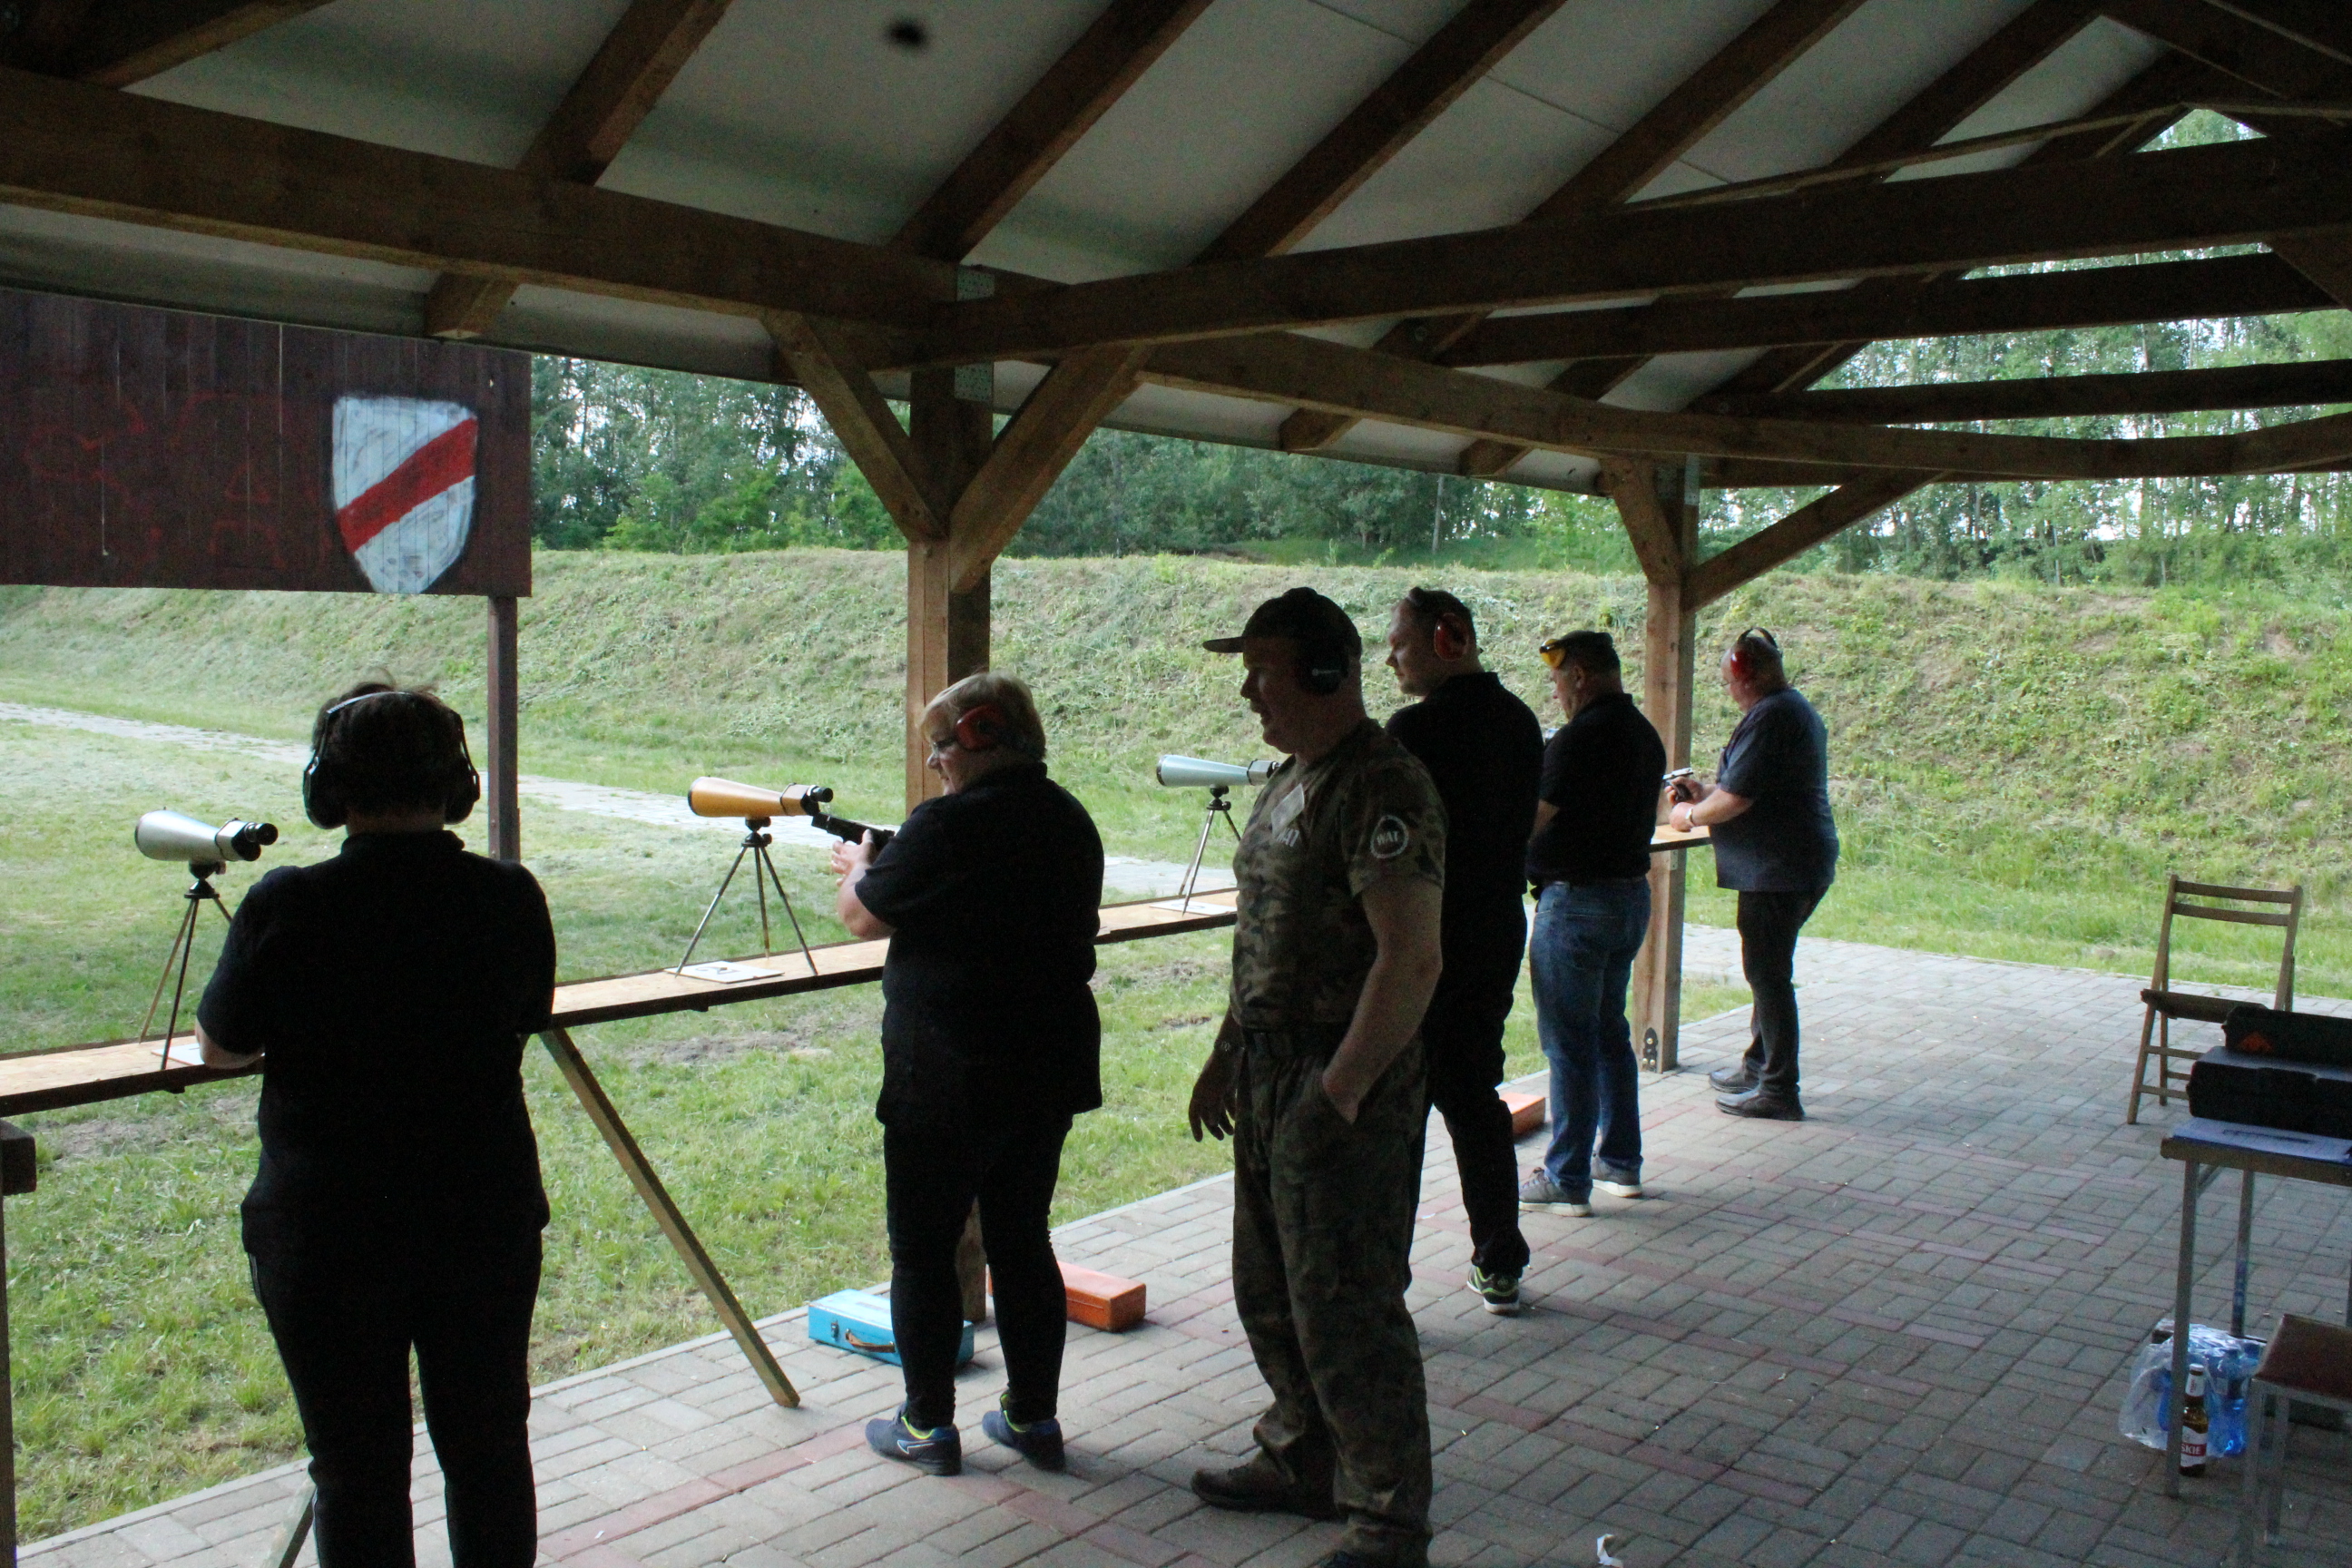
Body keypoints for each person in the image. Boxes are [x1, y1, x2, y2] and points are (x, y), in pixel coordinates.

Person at [196, 683, 556, 1568]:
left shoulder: (288, 903)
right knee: (487, 1452)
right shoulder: (509, 894)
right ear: (457, 785)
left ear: (329, 790)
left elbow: (220, 1047)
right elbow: (526, 1010)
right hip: (481, 1217)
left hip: (329, 1235)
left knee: (356, 1472)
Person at [1185, 587, 1446, 1568]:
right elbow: (1267, 932)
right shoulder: (1292, 776)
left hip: (1340, 1074)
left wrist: (1339, 1092)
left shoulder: (1383, 787)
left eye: (1266, 669)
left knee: (1346, 1303)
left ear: (1329, 674)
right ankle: (1301, 1455)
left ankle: (1387, 1521)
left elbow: (1410, 961)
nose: (1250, 691)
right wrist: (1226, 1051)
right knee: (1270, 1286)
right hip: (1268, 1069)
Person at [831, 671, 1104, 1476]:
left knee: (922, 1250)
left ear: (980, 735)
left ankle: (926, 1425)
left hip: (945, 1073)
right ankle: (1032, 1417)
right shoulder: (1068, 817)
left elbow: (859, 915)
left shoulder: (945, 827)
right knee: (1023, 1241)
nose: (936, 765)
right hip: (1044, 1065)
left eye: (941, 747)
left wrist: (858, 866)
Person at [1380, 586, 1539, 1314]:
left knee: (1404, 1107)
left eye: (1401, 643)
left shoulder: (1411, 730)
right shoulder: (1520, 720)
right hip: (1497, 928)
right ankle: (1499, 1258)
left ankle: (1389, 1278)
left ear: (1447, 641)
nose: (1390, 658)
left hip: (1426, 933)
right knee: (1475, 1095)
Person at [1517, 632, 1666, 1217]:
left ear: (1579, 676)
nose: (1555, 693)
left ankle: (1566, 1176)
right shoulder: (1644, 735)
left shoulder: (1578, 741)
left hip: (1575, 902)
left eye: (1558, 680)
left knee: (1568, 1044)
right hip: (1628, 897)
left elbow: (1531, 821)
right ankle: (1619, 1161)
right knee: (1608, 1032)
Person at [1668, 628, 1838, 1122]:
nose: (1729, 692)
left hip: (1779, 869)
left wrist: (1690, 815)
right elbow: (1742, 785)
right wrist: (1706, 791)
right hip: (1789, 864)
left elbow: (1738, 799)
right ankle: (1759, 1066)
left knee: (1768, 974)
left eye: (1728, 683)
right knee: (1768, 968)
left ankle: (1780, 1088)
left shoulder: (1772, 716)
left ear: (1745, 674)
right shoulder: (1786, 710)